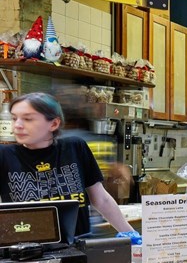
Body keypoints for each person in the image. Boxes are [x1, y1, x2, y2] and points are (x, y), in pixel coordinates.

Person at [0, 92, 137, 240]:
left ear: (54, 124)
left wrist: (130, 234)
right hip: (26, 249)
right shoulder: (4, 155)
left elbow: (101, 199)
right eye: (14, 118)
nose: (17, 125)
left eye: (28, 119)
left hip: (80, 246)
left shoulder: (75, 148)